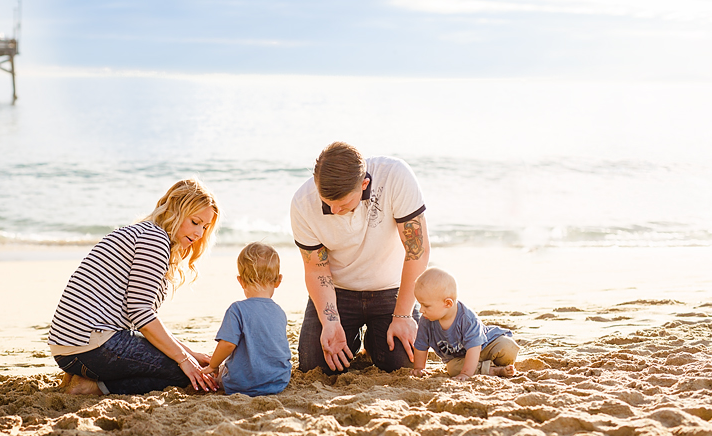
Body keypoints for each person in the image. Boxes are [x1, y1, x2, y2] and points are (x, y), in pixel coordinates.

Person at [48, 179, 221, 395]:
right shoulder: (155, 240)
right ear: (175, 208)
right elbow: (141, 314)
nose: (199, 234)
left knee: (185, 361)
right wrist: (185, 359)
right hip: (91, 346)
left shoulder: (145, 232)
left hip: (70, 347)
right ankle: (91, 387)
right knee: (183, 373)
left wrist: (191, 353)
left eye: (205, 227)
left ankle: (86, 374)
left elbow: (143, 321)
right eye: (195, 222)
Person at [291, 142, 430, 374]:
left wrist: (403, 315)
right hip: (338, 292)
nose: (334, 211)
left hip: (390, 290)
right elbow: (316, 269)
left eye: (342, 204)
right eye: (328, 204)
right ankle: (354, 333)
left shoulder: (395, 176)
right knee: (315, 366)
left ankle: (373, 342)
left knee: (401, 364)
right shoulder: (303, 203)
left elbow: (417, 251)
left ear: (364, 184)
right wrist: (330, 323)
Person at [201, 243, 292, 396]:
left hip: (242, 384)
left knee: (220, 371)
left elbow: (228, 344)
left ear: (240, 280)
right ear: (278, 281)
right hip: (278, 381)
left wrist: (213, 365)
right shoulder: (279, 312)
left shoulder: (237, 309)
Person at [411, 267, 518, 379]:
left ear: (447, 303)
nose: (421, 310)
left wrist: (466, 374)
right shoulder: (427, 320)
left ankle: (485, 367)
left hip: (483, 347)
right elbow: (421, 345)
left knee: (508, 347)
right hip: (461, 359)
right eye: (420, 304)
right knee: (453, 369)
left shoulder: (467, 318)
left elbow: (474, 348)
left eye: (426, 305)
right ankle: (492, 370)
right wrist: (419, 368)